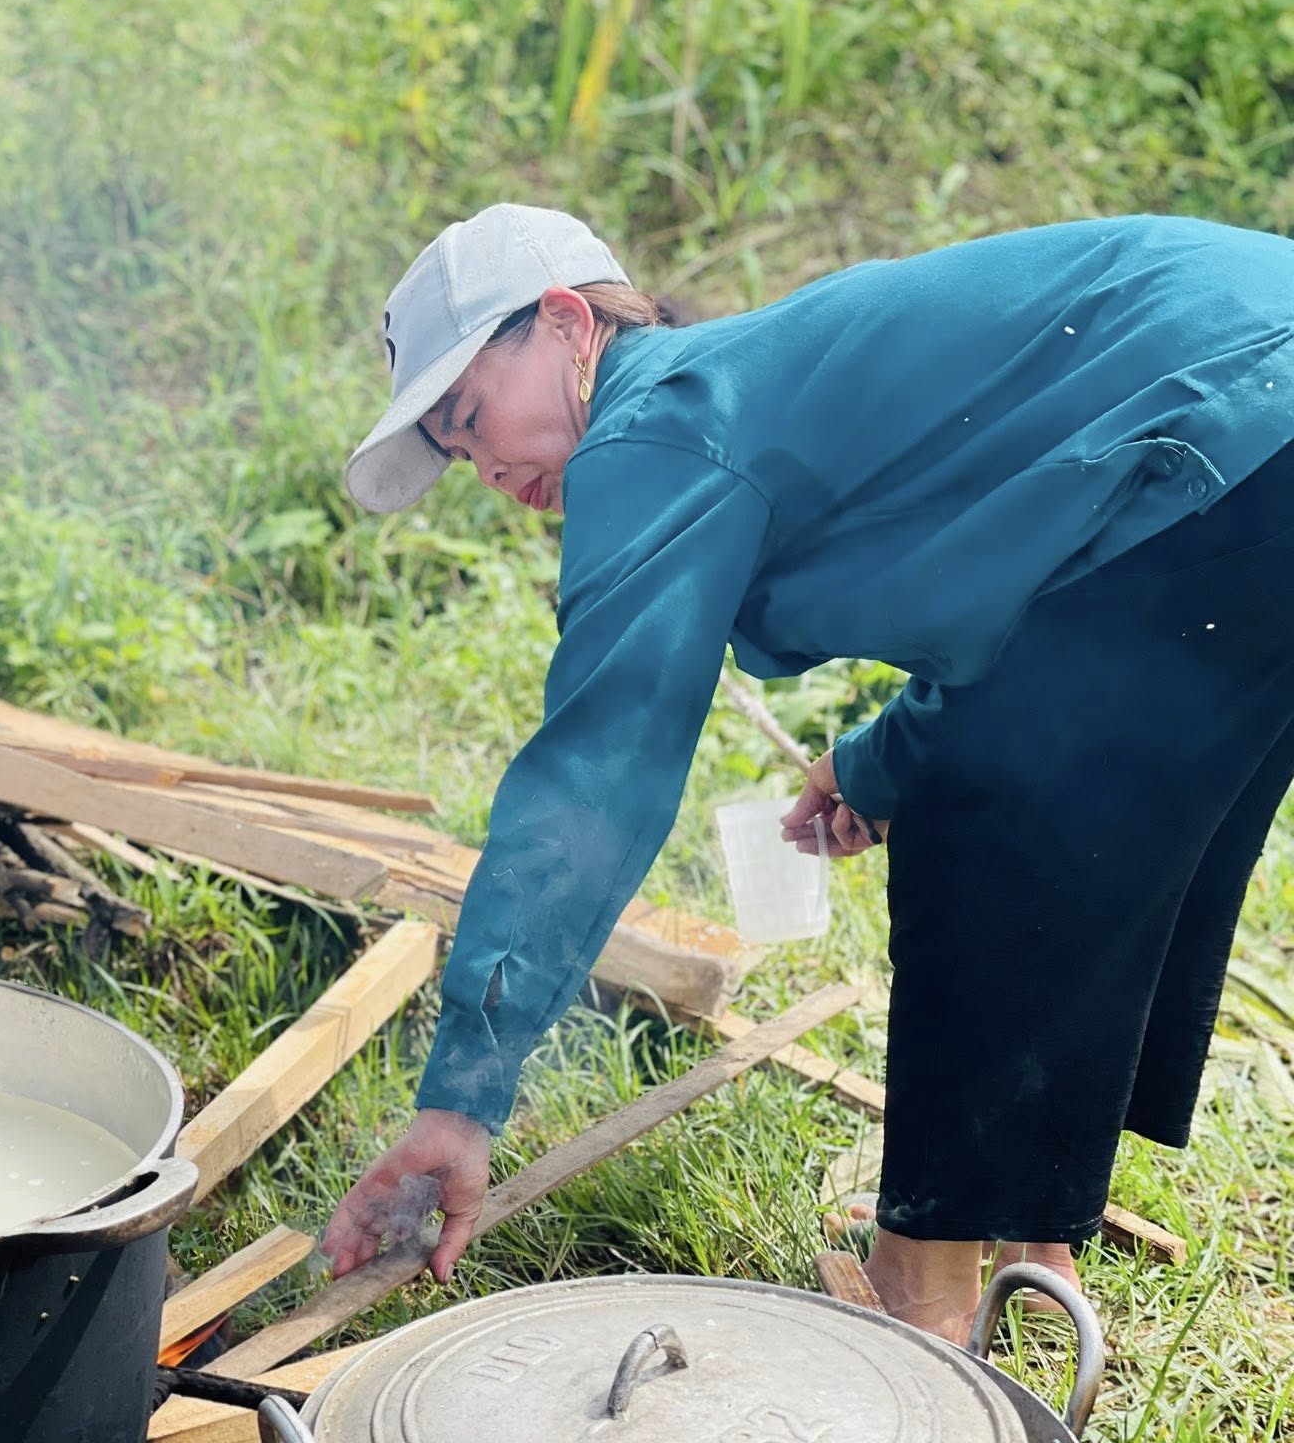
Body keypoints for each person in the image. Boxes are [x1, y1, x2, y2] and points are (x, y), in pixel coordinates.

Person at [319, 203, 1294, 1338]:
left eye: (471, 415)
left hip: (1225, 407)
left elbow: (594, 773)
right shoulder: (741, 394)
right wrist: (882, 761)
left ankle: (920, 1313)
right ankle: (1039, 1249)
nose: (481, 465)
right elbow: (1018, 601)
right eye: (451, 451)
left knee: (998, 822)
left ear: (565, 323)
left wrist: (459, 1103)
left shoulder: (655, 428)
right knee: (1092, 789)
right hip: (1247, 418)